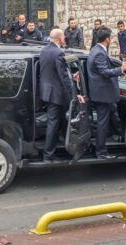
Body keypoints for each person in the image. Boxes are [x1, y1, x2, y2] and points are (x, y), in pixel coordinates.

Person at [39, 29, 84, 162]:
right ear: (60, 39)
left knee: (59, 122)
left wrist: (72, 75)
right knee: (53, 124)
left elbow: (50, 72)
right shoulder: (58, 52)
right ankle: (48, 155)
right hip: (57, 94)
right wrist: (73, 95)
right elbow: (62, 76)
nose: (64, 38)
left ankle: (65, 148)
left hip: (47, 92)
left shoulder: (44, 50)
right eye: (63, 36)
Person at [87, 26, 126, 159]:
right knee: (102, 122)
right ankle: (101, 151)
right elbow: (104, 72)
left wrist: (118, 70)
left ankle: (121, 136)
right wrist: (120, 70)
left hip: (105, 94)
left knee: (114, 113)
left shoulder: (95, 49)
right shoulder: (99, 53)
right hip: (102, 95)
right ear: (107, 39)